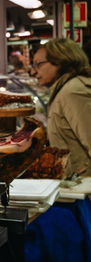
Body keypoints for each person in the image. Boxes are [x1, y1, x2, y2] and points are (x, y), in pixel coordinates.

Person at [31, 38, 91, 176]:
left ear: (60, 61)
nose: (34, 72)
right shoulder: (64, 89)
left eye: (38, 65)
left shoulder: (72, 91)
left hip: (84, 186)